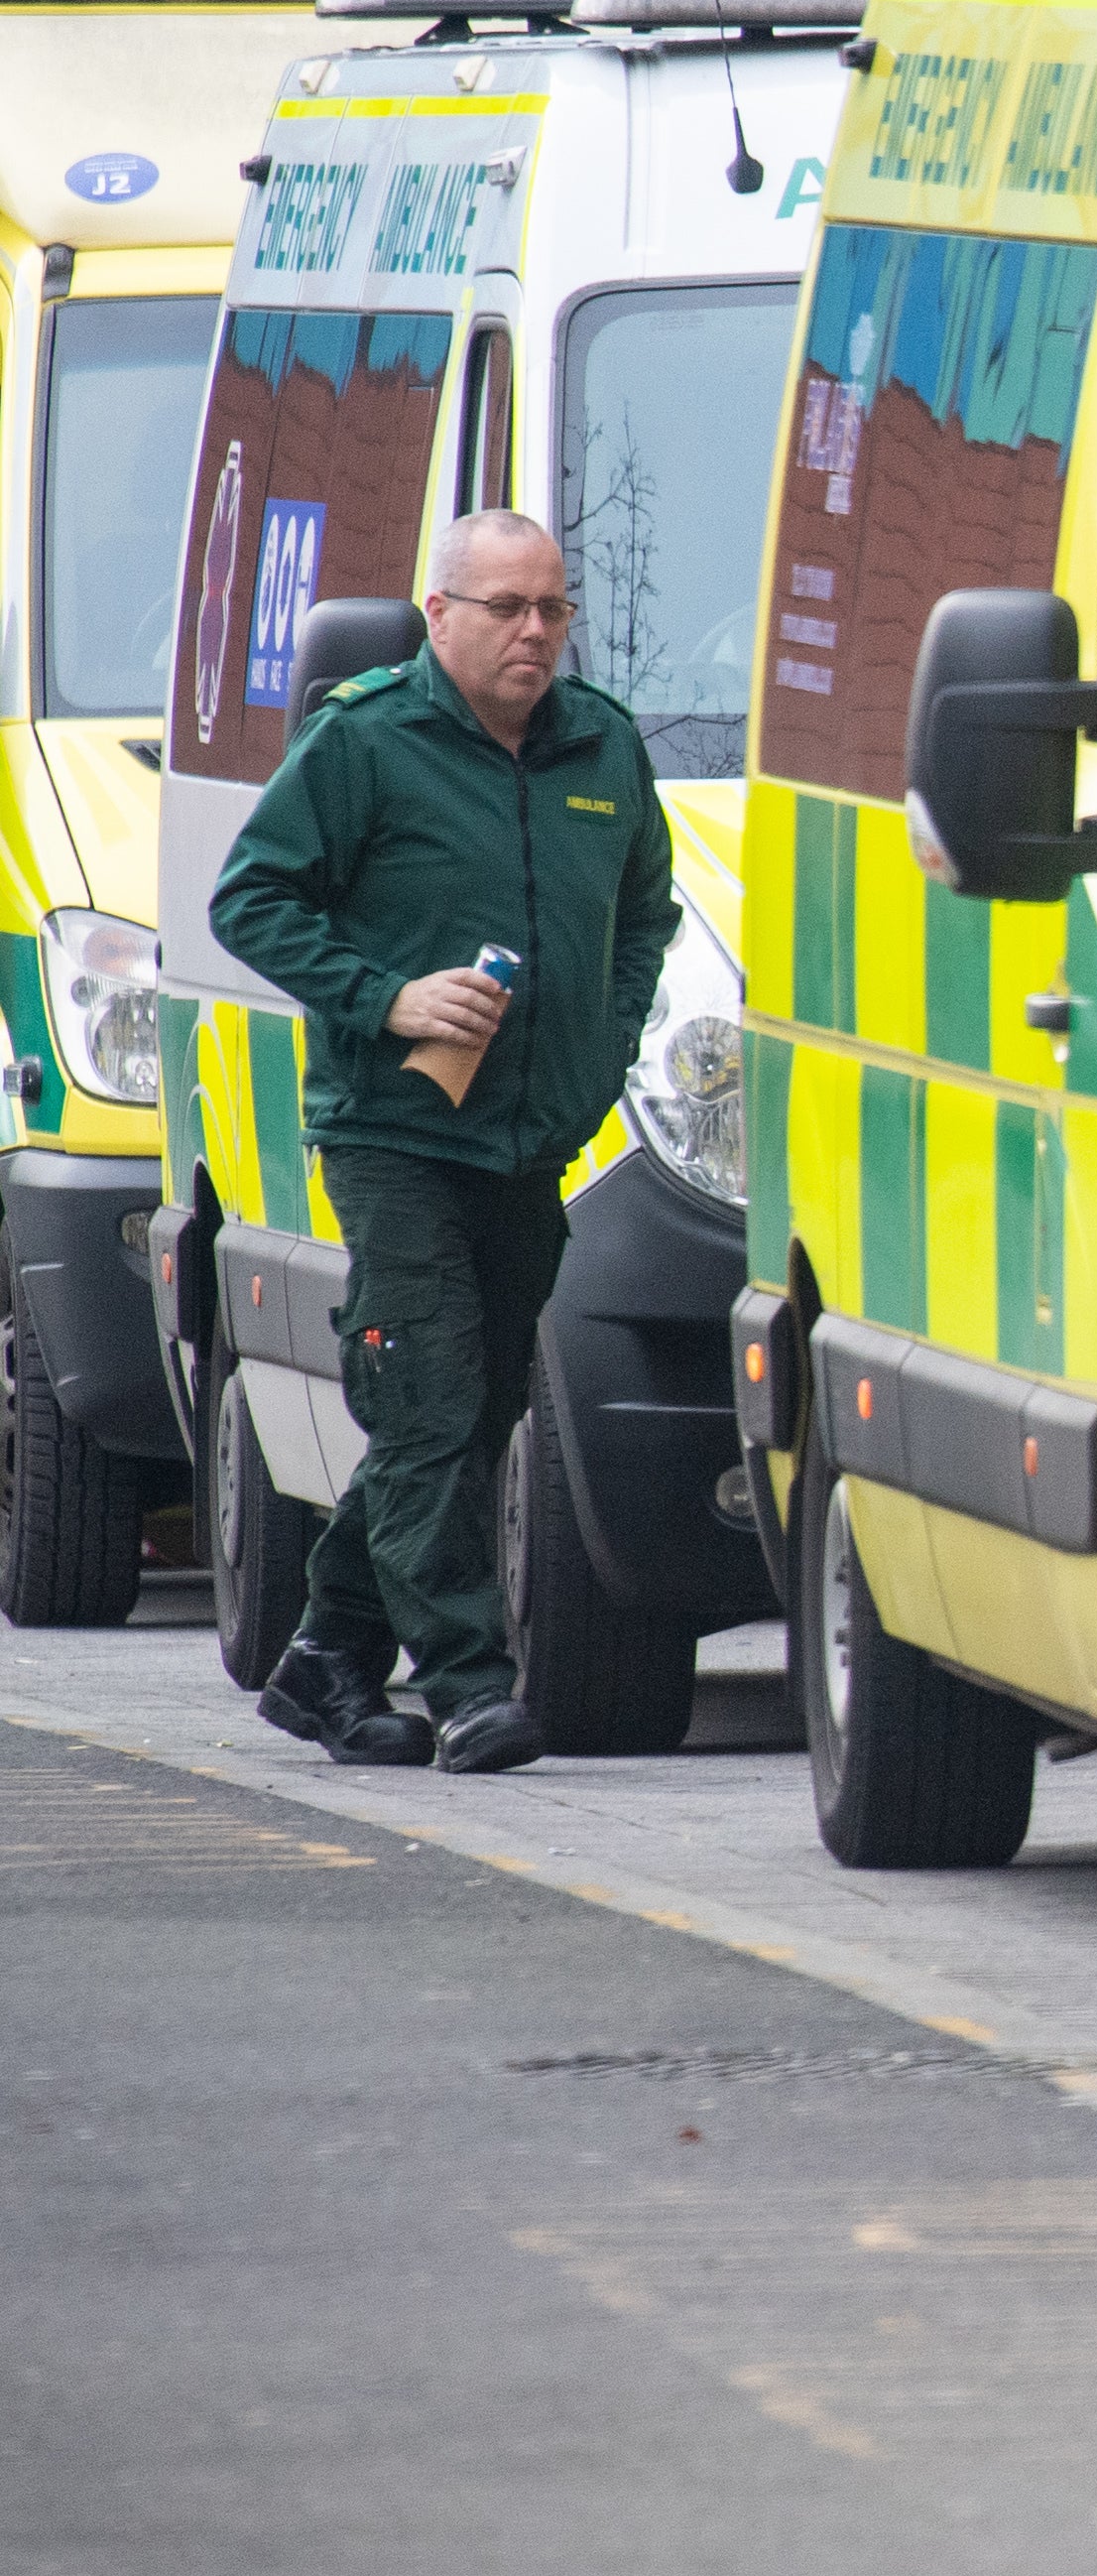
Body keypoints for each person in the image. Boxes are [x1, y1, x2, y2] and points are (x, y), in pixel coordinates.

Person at [211, 510, 675, 1776]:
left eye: (554, 609)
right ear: (443, 614)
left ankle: (327, 1659)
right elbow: (250, 898)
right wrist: (388, 995)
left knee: (477, 1408)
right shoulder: (368, 737)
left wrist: (604, 1043)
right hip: (397, 1130)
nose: (536, 632)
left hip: (533, 1140)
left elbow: (646, 914)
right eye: (509, 608)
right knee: (425, 1399)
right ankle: (472, 1683)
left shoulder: (603, 747)